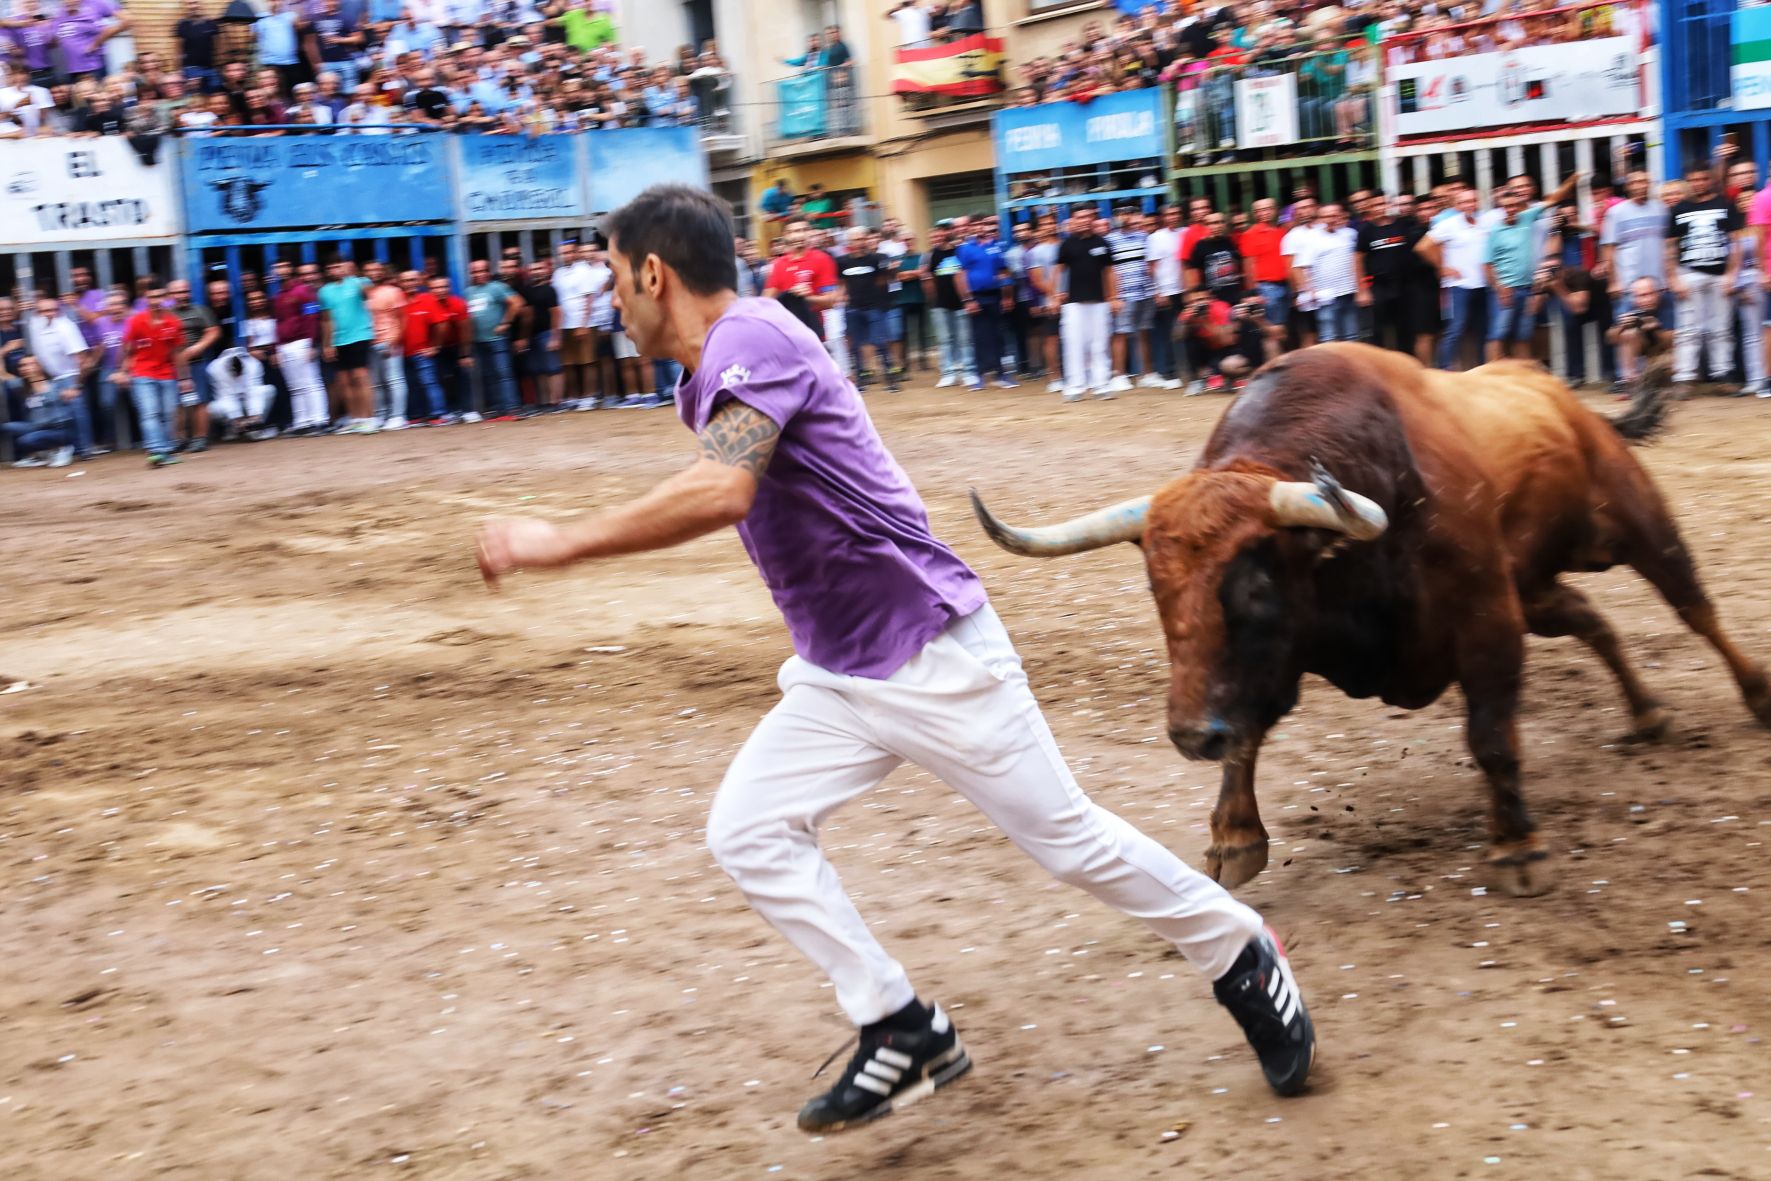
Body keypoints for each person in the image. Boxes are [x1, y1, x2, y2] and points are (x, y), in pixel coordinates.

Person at [473, 185, 1316, 1134]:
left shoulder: (755, 338)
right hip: (840, 669)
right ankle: (900, 1025)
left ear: (654, 274)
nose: (609, 297)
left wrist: (556, 542)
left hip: (930, 654)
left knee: (1068, 841)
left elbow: (720, 492)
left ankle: (1240, 949)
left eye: (615, 276)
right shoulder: (708, 371)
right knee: (747, 831)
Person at [1665, 163, 1739, 389]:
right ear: (1688, 181)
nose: (1698, 183)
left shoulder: (1725, 205)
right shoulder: (1678, 209)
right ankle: (1684, 377)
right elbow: (1669, 247)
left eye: (1702, 179)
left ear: (1710, 180)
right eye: (1693, 179)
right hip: (1689, 273)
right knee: (1688, 329)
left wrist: (1731, 274)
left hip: (1720, 274)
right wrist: (1673, 278)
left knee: (1722, 327)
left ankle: (1722, 374)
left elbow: (1736, 243)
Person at [1600, 171, 1670, 383]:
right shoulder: (1616, 212)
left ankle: (1655, 378)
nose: (1640, 185)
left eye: (1644, 181)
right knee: (1627, 332)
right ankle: (1627, 380)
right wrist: (1613, 280)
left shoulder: (1661, 209)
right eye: (1635, 181)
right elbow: (1609, 249)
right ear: (1628, 186)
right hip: (1628, 284)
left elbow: (1668, 245)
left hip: (1658, 283)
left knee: (1660, 332)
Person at [118, 279, 186, 467]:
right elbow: (127, 348)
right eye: (152, 297)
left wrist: (184, 377)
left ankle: (164, 450)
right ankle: (156, 451)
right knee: (150, 413)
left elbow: (177, 351)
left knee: (168, 413)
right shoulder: (137, 321)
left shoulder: (173, 322)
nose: (156, 300)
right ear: (146, 299)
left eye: (159, 296)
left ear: (165, 297)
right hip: (142, 372)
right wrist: (123, 371)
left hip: (167, 373)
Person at [1053, 206, 1117, 402]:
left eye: (1088, 216)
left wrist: (1114, 297)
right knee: (1074, 345)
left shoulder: (1102, 242)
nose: (1084, 220)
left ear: (1093, 219)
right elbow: (1058, 271)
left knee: (1100, 345)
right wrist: (1054, 295)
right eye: (1079, 217)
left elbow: (1109, 272)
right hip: (1073, 304)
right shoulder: (1067, 245)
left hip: (1099, 302)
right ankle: (1075, 387)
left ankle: (1101, 385)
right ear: (1073, 220)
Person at [1419, 189, 1488, 370]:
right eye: (1464, 202)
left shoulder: (1485, 221)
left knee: (1482, 329)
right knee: (1455, 329)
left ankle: (1483, 369)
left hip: (1483, 284)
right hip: (1459, 285)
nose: (1470, 204)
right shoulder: (1449, 224)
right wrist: (1442, 267)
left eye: (1473, 200)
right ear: (1457, 206)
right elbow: (1423, 247)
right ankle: (1444, 370)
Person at [25, 294, 93, 460]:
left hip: (70, 376)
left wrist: (76, 386)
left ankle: (84, 451)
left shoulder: (65, 327)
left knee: (77, 413)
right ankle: (70, 449)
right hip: (54, 378)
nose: (50, 313)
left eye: (54, 309)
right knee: (62, 417)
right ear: (37, 312)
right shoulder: (35, 325)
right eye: (44, 310)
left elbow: (82, 360)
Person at [956, 214, 1015, 390]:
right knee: (979, 337)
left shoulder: (996, 247)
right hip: (976, 298)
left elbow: (1004, 272)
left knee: (998, 335)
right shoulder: (965, 248)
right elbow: (960, 275)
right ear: (970, 228)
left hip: (995, 296)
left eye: (982, 225)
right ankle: (979, 376)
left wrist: (1007, 296)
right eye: (975, 225)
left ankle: (1000, 374)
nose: (979, 228)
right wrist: (968, 299)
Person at [318, 258, 377, 433]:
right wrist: (327, 344)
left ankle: (369, 418)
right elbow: (326, 319)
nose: (336, 270)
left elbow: (369, 293)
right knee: (344, 382)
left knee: (360, 377)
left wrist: (354, 276)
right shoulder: (324, 291)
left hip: (360, 336)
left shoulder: (360, 282)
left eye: (338, 266)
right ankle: (355, 419)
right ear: (327, 270)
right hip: (338, 339)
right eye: (331, 267)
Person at [838, 226, 898, 393]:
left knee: (881, 342)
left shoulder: (877, 259)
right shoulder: (842, 261)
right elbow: (841, 283)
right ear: (849, 242)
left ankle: (890, 379)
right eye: (857, 239)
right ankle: (859, 380)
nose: (861, 242)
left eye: (863, 239)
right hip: (852, 308)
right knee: (855, 346)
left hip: (874, 307)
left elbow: (884, 280)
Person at [763, 219, 840, 345]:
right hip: (786, 332)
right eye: (795, 231)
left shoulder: (822, 259)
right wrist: (789, 297)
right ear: (786, 235)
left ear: (810, 233)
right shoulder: (778, 264)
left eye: (804, 230)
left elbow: (831, 301)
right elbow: (766, 302)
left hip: (813, 332)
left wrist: (807, 297)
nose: (800, 235)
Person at [274, 259, 329, 434]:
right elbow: (278, 323)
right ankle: (302, 422)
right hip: (285, 345)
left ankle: (320, 420)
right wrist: (277, 347)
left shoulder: (303, 291)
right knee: (295, 386)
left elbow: (312, 317)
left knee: (311, 382)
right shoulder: (279, 295)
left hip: (302, 342)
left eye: (283, 266)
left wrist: (312, 343)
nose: (280, 270)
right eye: (277, 268)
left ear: (291, 269)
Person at [464, 257, 523, 418]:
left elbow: (517, 303)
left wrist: (505, 323)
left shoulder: (496, 287)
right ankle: (499, 408)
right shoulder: (468, 292)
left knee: (503, 373)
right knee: (489, 375)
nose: (479, 274)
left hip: (497, 340)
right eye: (475, 271)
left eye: (482, 270)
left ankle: (512, 408)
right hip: (479, 341)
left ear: (488, 271)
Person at [1104, 206, 1152, 392]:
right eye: (1120, 214)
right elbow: (1107, 271)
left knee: (1143, 332)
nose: (1125, 217)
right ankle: (1119, 375)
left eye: (1129, 213)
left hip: (1144, 292)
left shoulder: (1143, 236)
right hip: (1123, 295)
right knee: (1120, 334)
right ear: (1115, 218)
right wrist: (1113, 296)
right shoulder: (1109, 240)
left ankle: (1147, 375)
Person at [168, 278, 219, 451]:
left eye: (184, 292)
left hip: (196, 363)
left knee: (200, 402)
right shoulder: (166, 314)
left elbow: (213, 332)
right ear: (170, 295)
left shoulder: (200, 310)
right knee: (176, 404)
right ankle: (179, 439)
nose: (181, 295)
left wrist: (197, 348)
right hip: (172, 366)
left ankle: (200, 438)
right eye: (177, 292)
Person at [924, 220, 974, 388]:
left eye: (942, 233)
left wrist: (968, 298)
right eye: (935, 235)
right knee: (945, 340)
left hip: (961, 302)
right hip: (940, 304)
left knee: (965, 339)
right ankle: (948, 373)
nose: (939, 237)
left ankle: (969, 372)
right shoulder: (931, 254)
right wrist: (933, 301)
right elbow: (928, 277)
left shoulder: (960, 251)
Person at [3, 356, 77, 469]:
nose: (25, 368)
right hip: (37, 427)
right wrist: (4, 351)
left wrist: (68, 393)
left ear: (39, 366)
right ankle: (41, 455)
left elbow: (71, 392)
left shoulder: (54, 385)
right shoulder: (22, 387)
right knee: (7, 427)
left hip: (58, 430)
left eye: (30, 364)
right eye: (22, 365)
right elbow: (2, 374)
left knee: (26, 440)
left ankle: (63, 449)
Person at [1306, 203, 1360, 343]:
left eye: (1334, 215)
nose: (1331, 219)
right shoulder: (1311, 237)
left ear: (1342, 216)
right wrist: (1310, 291)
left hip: (1349, 292)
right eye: (1326, 216)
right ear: (1319, 218)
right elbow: (1302, 266)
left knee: (1352, 336)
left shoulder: (1351, 234)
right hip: (1325, 296)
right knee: (1329, 337)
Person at [366, 263, 411, 429]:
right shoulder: (365, 293)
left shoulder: (393, 291)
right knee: (376, 382)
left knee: (394, 380)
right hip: (370, 341)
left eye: (376, 270)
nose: (372, 273)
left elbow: (402, 318)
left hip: (389, 340)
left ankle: (398, 416)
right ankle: (380, 415)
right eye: (369, 270)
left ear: (383, 273)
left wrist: (395, 339)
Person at [1146, 203, 1185, 388]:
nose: (1173, 216)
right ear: (1163, 217)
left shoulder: (1185, 232)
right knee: (1172, 332)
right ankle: (1170, 373)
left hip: (1186, 289)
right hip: (1168, 290)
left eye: (1176, 212)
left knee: (1187, 329)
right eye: (1169, 214)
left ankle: (1187, 370)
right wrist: (1157, 290)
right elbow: (1152, 267)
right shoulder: (1156, 238)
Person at [205, 347, 275, 438]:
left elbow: (254, 392)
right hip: (229, 403)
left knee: (268, 390)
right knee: (211, 408)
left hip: (247, 402)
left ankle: (256, 428)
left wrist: (254, 418)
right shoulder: (215, 368)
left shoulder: (253, 364)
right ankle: (232, 429)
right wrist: (237, 420)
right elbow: (225, 397)